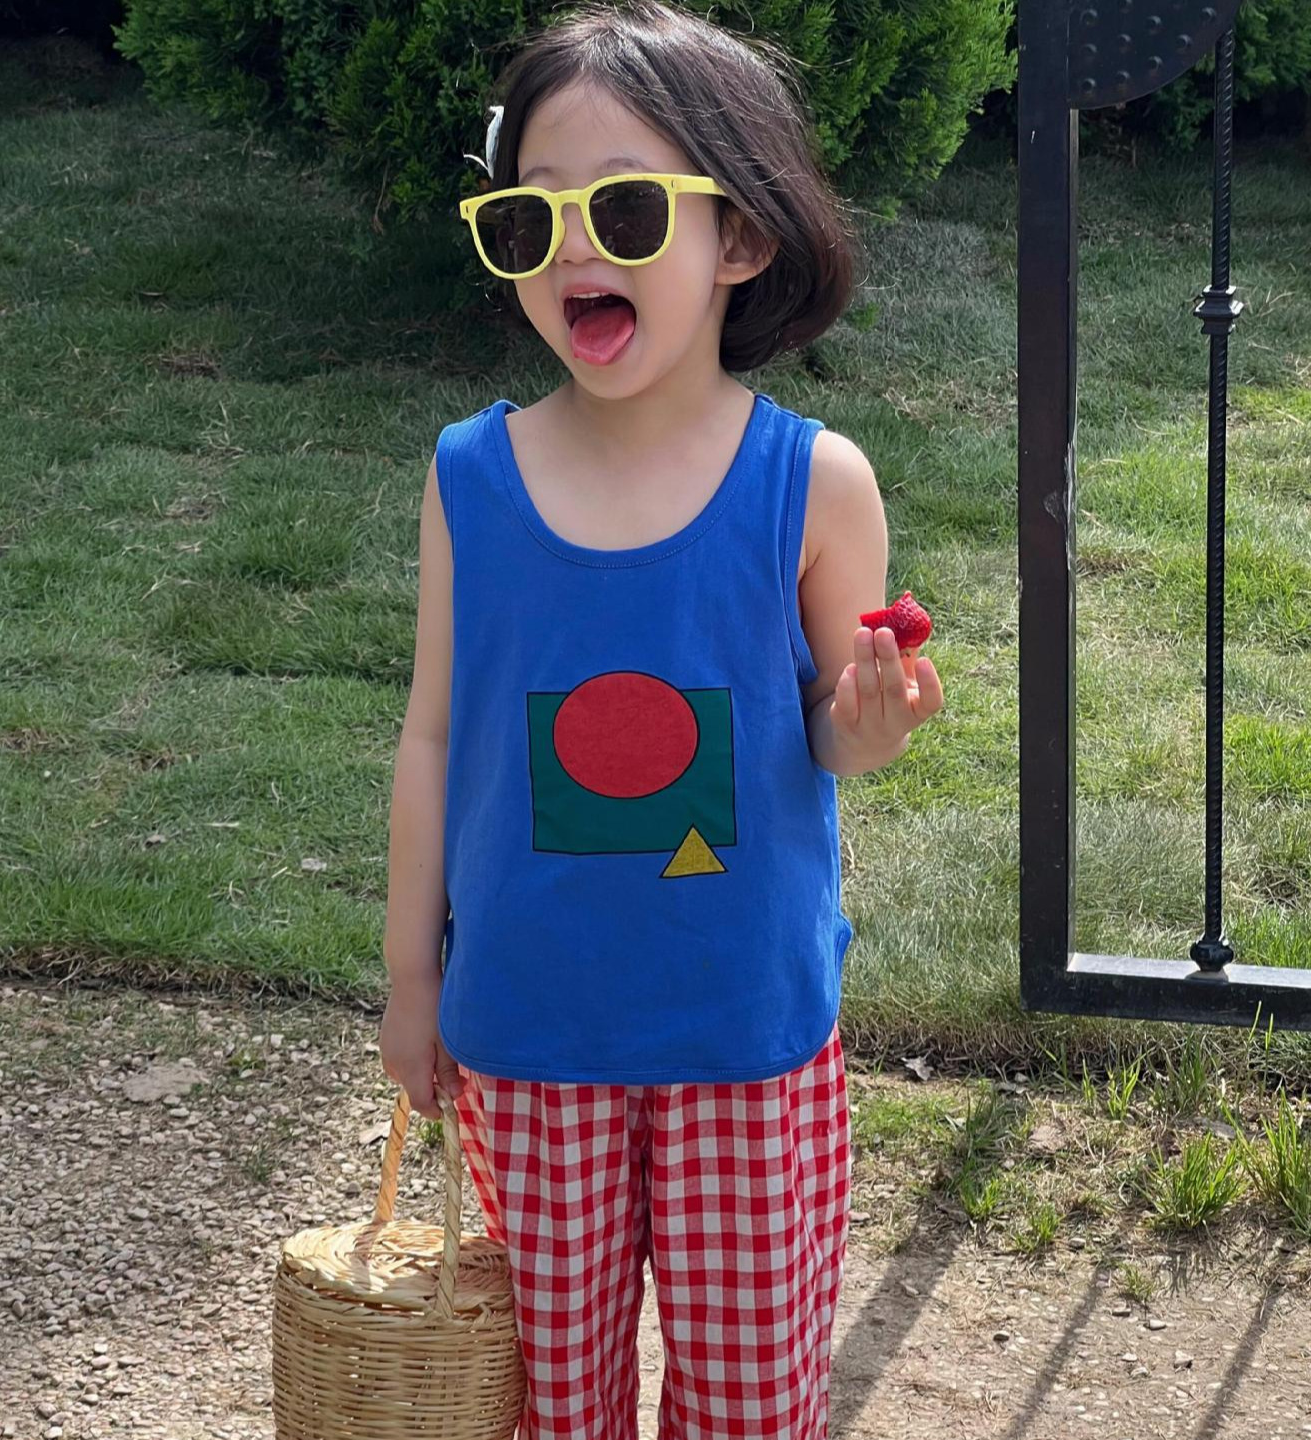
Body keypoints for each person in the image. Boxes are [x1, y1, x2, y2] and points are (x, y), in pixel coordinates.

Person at [378, 3, 944, 1436]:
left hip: (745, 1040)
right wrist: (408, 978)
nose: (578, 249)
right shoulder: (470, 478)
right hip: (528, 1039)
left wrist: (870, 727)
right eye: (532, 219)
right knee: (551, 1404)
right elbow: (434, 735)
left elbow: (826, 732)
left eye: (625, 210)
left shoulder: (815, 483)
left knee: (749, 1402)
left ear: (738, 236)